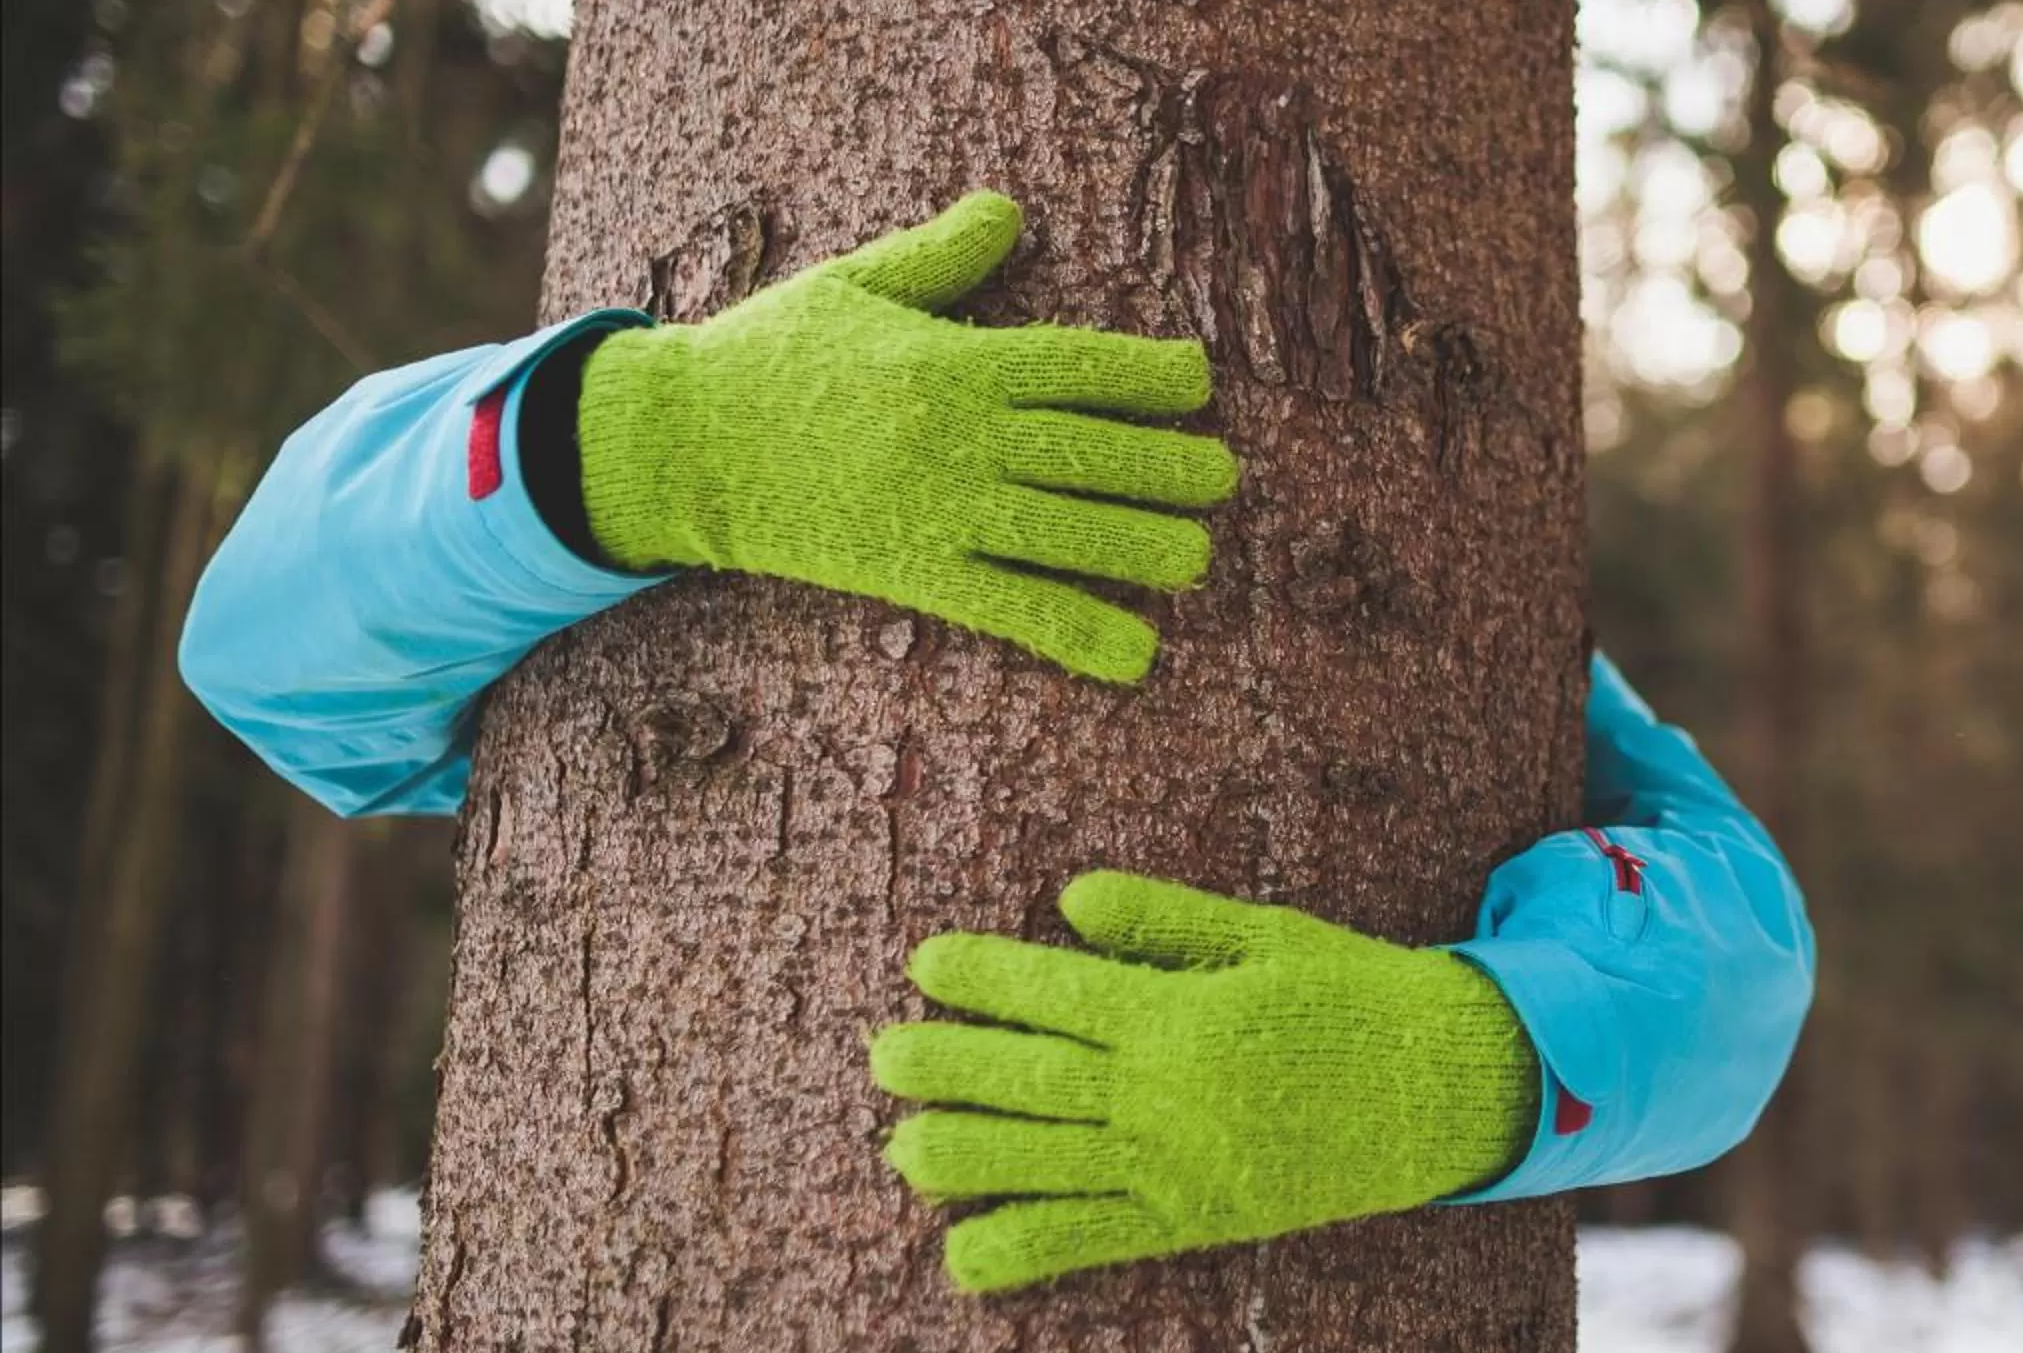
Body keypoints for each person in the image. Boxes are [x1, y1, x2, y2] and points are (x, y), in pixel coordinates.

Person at [181, 192, 1811, 1291]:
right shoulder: (551, 484)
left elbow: (1745, 945)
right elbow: (262, 657)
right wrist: (659, 437)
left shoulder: (1501, 656)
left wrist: (1466, 1062)